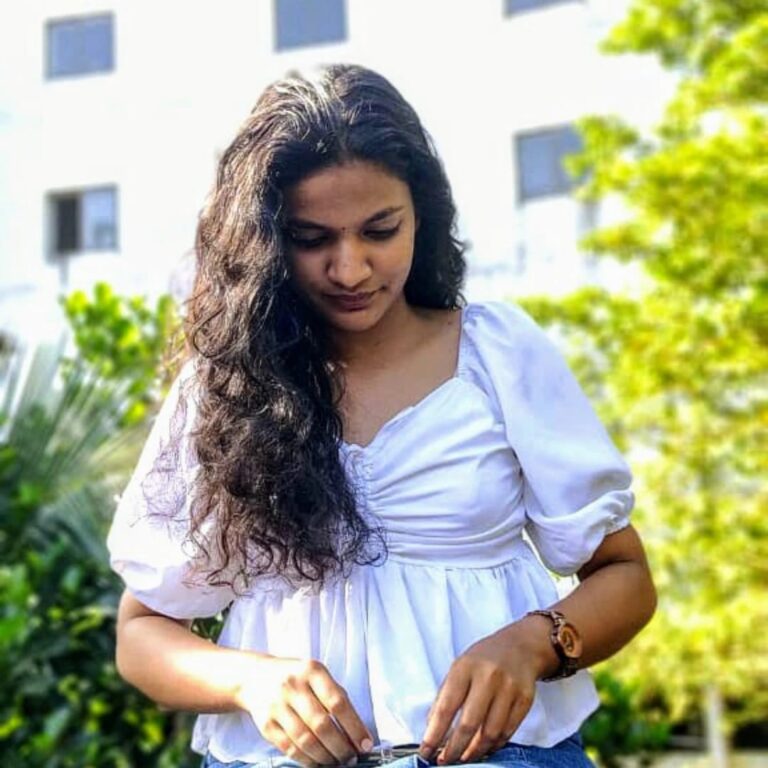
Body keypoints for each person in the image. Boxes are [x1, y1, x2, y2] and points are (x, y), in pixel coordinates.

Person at [108, 64, 657, 768]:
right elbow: (142, 631)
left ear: (420, 216)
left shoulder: (495, 354)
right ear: (265, 242)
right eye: (313, 239)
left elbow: (626, 574)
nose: (352, 268)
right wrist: (251, 680)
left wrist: (532, 644)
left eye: (380, 229)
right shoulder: (225, 390)